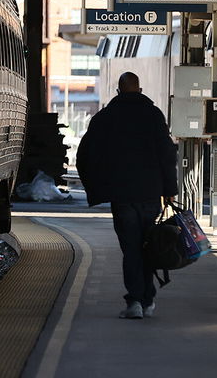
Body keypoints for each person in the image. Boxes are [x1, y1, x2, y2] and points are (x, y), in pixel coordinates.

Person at [76, 71, 178, 320]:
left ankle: (135, 301)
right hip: (151, 195)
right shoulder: (154, 115)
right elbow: (167, 155)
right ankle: (148, 299)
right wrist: (170, 191)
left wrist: (97, 188)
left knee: (131, 249)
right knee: (148, 246)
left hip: (122, 197)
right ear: (140, 90)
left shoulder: (105, 118)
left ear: (118, 91)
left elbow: (85, 156)